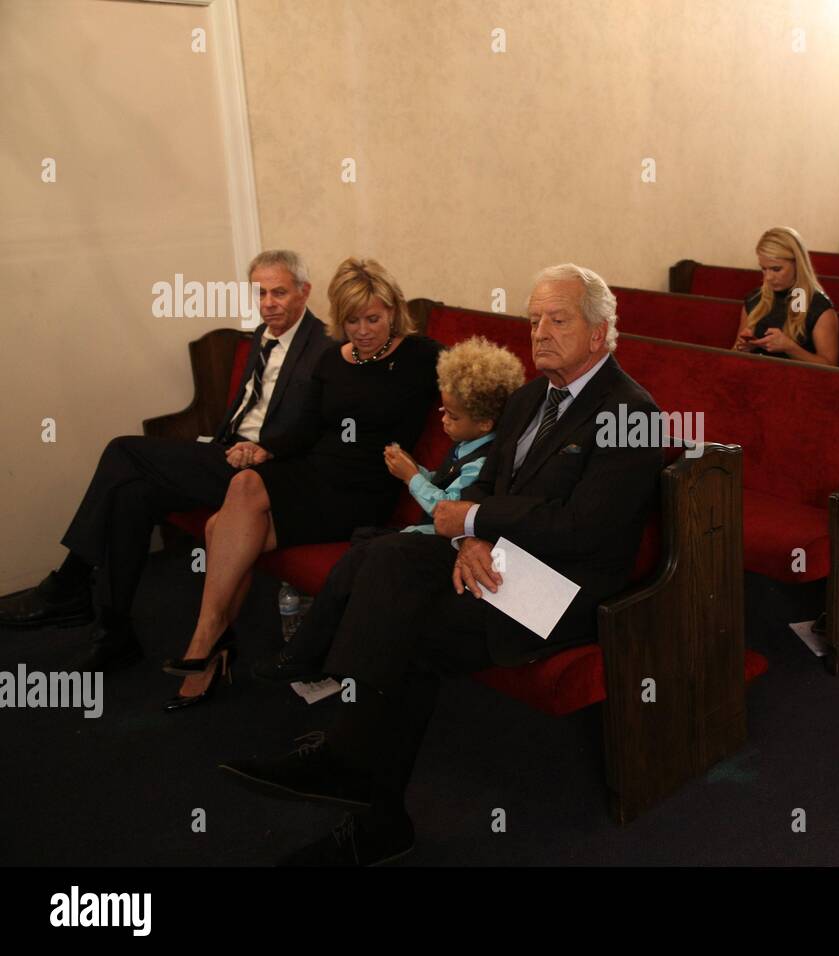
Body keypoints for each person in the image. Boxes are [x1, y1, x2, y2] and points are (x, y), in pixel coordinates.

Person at [217, 264, 664, 865]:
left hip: (564, 592)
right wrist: (473, 537)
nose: (540, 334)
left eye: (558, 320)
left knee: (409, 629)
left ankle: (352, 771)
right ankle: (355, 773)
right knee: (386, 554)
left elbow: (587, 529)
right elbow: (491, 487)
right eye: (533, 321)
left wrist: (478, 525)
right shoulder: (532, 396)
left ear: (599, 331)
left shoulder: (632, 414)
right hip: (500, 562)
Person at [0, 251, 332, 671]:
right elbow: (247, 409)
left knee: (123, 450)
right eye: (260, 292)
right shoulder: (259, 338)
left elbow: (322, 428)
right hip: (225, 453)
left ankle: (69, 583)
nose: (268, 302)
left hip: (265, 472)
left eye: (279, 292)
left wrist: (267, 449)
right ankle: (114, 631)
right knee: (132, 495)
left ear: (304, 291)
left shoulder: (325, 346)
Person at [160, 258, 442, 711]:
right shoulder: (334, 358)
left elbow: (476, 385)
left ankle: (205, 644)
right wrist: (265, 448)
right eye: (352, 319)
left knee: (232, 512)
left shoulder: (422, 356)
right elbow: (307, 428)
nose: (363, 330)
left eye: (374, 317)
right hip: (314, 470)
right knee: (233, 506)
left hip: (363, 489)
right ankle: (211, 645)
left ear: (393, 309)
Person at [254, 335, 526, 682]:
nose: (443, 421)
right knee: (355, 560)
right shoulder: (465, 443)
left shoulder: (484, 459)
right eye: (442, 411)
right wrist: (420, 470)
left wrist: (411, 477)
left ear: (486, 423)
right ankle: (312, 654)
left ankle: (319, 660)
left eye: (453, 416)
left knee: (361, 560)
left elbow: (448, 509)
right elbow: (444, 482)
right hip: (420, 534)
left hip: (444, 544)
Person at [733, 226, 839, 365]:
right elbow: (733, 354)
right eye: (764, 269)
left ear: (797, 264)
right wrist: (744, 347)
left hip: (799, 381)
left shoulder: (818, 307)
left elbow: (831, 368)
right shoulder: (755, 299)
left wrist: (790, 348)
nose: (768, 278)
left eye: (776, 269)